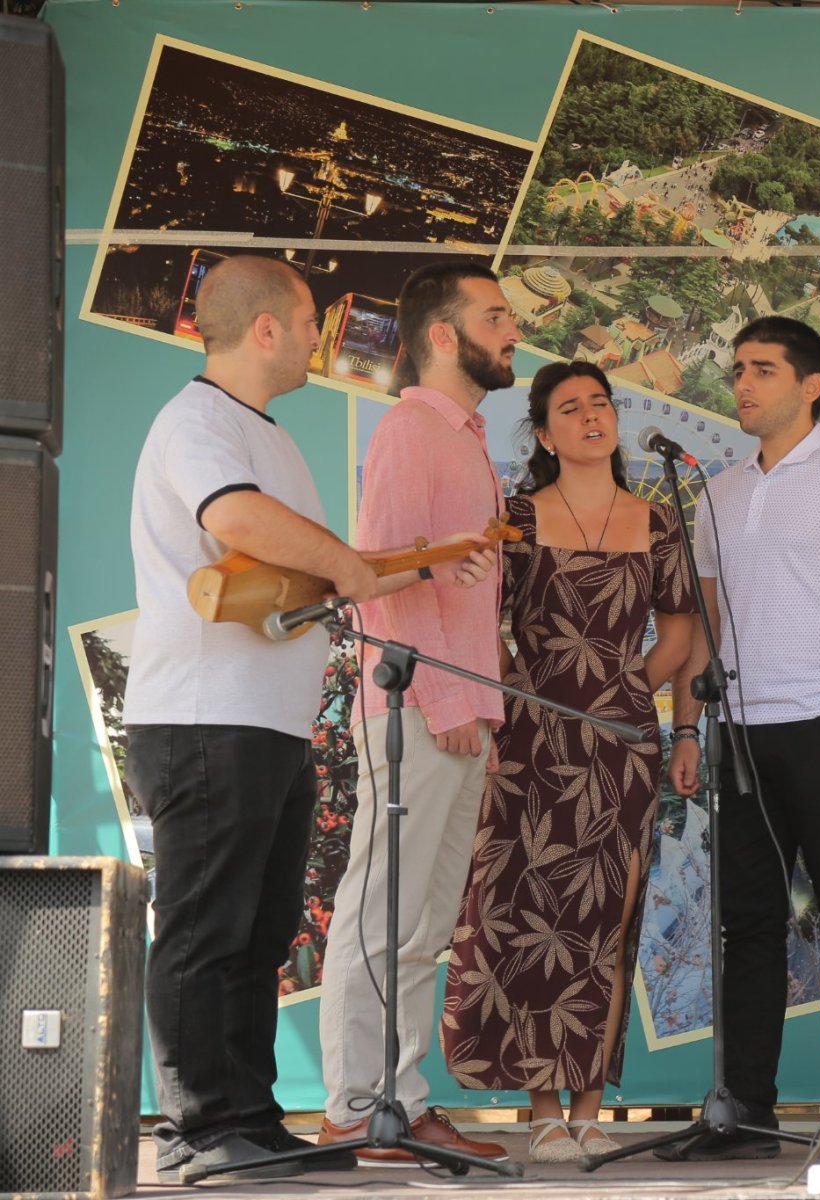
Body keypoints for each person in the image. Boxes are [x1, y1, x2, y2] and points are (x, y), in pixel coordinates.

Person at [124, 255, 490, 1184]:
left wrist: (413, 564)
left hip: (267, 725)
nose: (321, 340)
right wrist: (349, 564)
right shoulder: (198, 422)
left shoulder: (267, 434)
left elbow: (313, 574)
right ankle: (199, 1128)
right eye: (308, 322)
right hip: (205, 718)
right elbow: (238, 518)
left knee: (260, 930)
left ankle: (250, 1118)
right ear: (265, 330)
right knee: (208, 928)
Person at [665, 316, 820, 1160]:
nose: (742, 382)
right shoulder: (720, 492)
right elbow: (705, 626)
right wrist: (687, 728)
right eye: (738, 367)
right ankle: (745, 1113)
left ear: (811, 386)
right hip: (741, 734)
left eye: (762, 369)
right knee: (748, 928)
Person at [439, 362, 696, 1163]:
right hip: (530, 744)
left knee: (605, 923)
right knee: (530, 918)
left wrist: (623, 691)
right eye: (571, 408)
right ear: (545, 435)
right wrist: (519, 686)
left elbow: (681, 633)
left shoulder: (659, 520)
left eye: (601, 404)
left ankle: (589, 1108)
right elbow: (481, 620)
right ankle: (542, 1109)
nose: (592, 416)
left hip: (622, 746)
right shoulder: (515, 516)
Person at [317, 262, 521, 1164]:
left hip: (458, 711)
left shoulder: (462, 435)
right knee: (385, 912)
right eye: (496, 316)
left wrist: (473, 703)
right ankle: (358, 1110)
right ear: (444, 335)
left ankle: (396, 1103)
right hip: (421, 708)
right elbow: (381, 577)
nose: (514, 331)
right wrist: (441, 697)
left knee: (421, 925)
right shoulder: (411, 428)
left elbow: (442, 580)